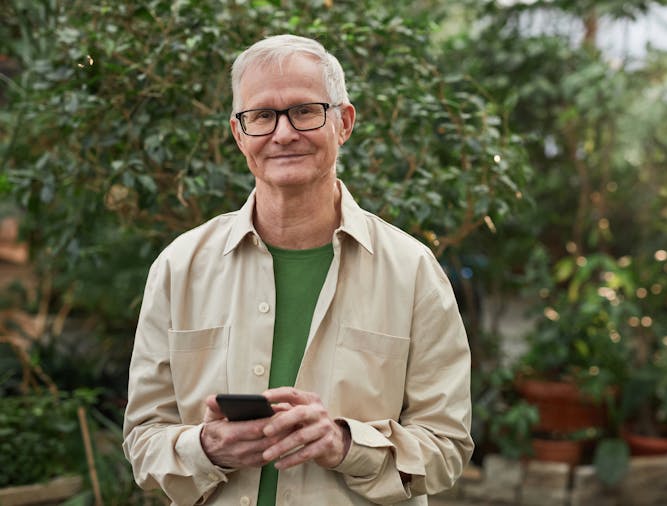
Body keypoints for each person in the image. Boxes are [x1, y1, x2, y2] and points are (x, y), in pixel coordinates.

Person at [123, 34, 473, 506]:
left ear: (343, 122)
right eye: (262, 116)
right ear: (238, 133)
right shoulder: (179, 267)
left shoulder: (413, 273)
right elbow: (143, 439)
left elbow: (447, 445)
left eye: (305, 111)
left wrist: (347, 446)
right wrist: (205, 448)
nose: (283, 133)